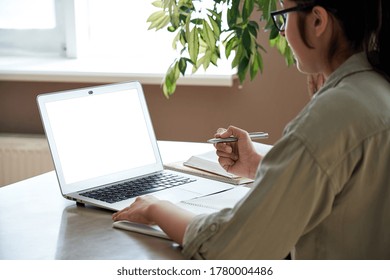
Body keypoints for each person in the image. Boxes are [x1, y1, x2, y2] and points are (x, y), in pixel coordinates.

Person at [112, 0, 390, 259]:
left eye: (283, 16)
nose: (281, 33)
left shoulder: (332, 115)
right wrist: (258, 166)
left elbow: (230, 247)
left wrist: (157, 208)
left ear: (317, 21)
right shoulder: (378, 87)